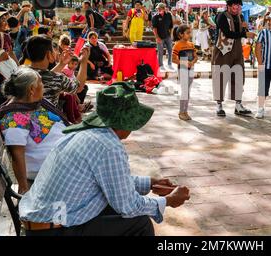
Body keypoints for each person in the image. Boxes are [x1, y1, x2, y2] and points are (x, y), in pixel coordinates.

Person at [18, 82, 190, 236]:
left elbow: (114, 182)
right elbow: (128, 205)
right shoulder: (108, 146)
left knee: (113, 207)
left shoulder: (90, 133)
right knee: (139, 223)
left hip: (45, 219)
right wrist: (167, 201)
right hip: (55, 228)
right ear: (125, 122)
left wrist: (151, 183)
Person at [0, 67, 70, 194]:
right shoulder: (13, 120)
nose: (43, 85)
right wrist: (24, 189)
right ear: (31, 89)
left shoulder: (33, 105)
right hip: (51, 170)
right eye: (40, 82)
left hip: (62, 162)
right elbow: (17, 156)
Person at [212, 0, 256, 117]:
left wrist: (245, 28)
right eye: (235, 5)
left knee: (239, 76)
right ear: (229, 6)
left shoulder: (240, 17)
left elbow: (242, 32)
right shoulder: (221, 16)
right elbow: (227, 33)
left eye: (239, 5)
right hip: (222, 51)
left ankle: (238, 105)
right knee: (220, 77)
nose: (237, 7)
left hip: (237, 50)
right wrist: (244, 34)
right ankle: (219, 105)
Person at [27, 35, 89, 108]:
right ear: (49, 54)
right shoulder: (58, 78)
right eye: (53, 50)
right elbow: (79, 87)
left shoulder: (19, 72)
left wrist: (61, 64)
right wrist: (84, 61)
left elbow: (45, 76)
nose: (56, 52)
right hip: (47, 118)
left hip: (20, 118)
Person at [172, 25, 198, 121]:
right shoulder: (177, 45)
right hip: (182, 70)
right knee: (185, 91)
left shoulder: (191, 44)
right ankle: (182, 112)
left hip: (191, 70)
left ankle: (185, 111)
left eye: (190, 32)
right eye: (187, 33)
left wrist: (192, 62)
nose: (189, 35)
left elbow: (196, 57)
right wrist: (184, 63)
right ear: (180, 34)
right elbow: (173, 59)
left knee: (188, 91)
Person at [152, 3, 174, 71]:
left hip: (167, 36)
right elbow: (154, 28)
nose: (158, 9)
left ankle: (169, 63)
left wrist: (171, 35)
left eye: (160, 8)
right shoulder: (155, 17)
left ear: (164, 9)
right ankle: (160, 65)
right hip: (159, 36)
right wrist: (157, 37)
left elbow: (171, 26)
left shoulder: (169, 15)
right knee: (160, 51)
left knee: (170, 50)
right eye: (158, 8)